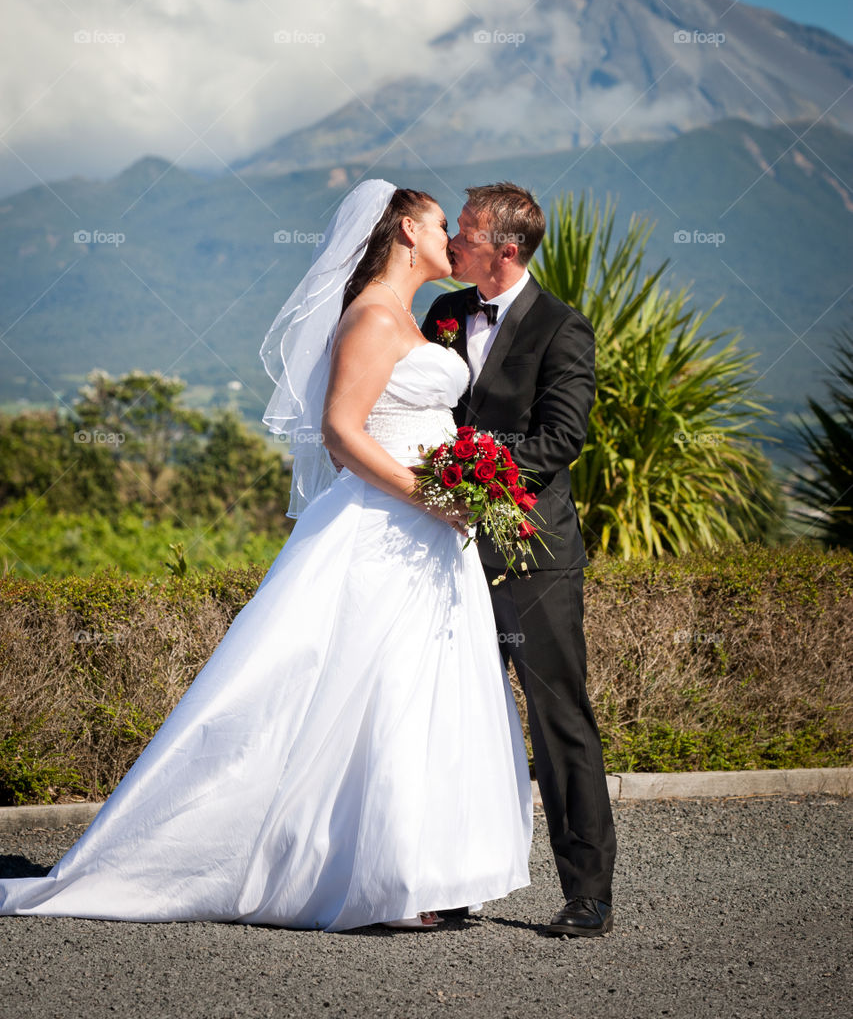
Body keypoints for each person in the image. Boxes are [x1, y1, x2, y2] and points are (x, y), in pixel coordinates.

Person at [0, 181, 532, 933]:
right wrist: (431, 495)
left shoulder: (412, 319)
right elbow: (343, 434)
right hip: (387, 527)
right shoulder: (374, 319)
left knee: (413, 697)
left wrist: (461, 493)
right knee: (369, 692)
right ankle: (355, 876)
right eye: (444, 224)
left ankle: (409, 872)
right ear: (408, 230)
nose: (454, 237)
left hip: (428, 537)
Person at [423, 182, 617, 938]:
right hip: (438, 548)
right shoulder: (441, 315)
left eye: (465, 231)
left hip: (531, 553)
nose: (453, 242)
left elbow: (559, 438)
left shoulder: (562, 328)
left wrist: (467, 481)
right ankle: (452, 880)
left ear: (504, 249)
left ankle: (587, 894)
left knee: (557, 716)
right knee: (450, 714)